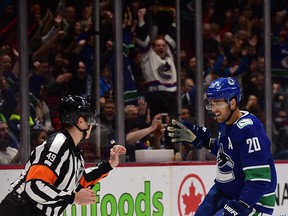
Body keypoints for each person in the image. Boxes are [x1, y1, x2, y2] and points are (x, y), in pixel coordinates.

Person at [0, 95, 126, 216]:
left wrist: (109, 164)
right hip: (20, 210)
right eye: (90, 120)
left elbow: (79, 181)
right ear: (81, 122)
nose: (91, 125)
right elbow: (35, 186)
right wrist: (73, 197)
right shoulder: (57, 145)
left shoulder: (74, 151)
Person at [167, 77, 277, 215]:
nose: (213, 109)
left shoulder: (250, 129)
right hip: (226, 191)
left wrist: (241, 206)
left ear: (232, 102)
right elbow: (228, 153)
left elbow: (260, 180)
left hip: (253, 201)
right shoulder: (226, 122)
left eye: (218, 103)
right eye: (211, 103)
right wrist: (204, 141)